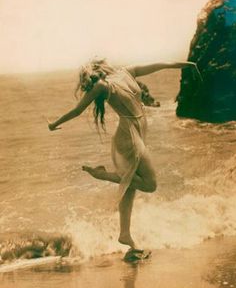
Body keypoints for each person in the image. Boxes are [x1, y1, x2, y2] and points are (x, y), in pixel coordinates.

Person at [48, 59, 199, 250]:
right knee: (150, 185)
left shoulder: (126, 72)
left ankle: (125, 234)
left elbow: (157, 65)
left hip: (139, 130)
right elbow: (78, 110)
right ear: (101, 67)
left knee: (131, 187)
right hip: (128, 136)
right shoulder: (103, 86)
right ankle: (102, 175)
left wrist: (184, 64)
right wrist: (54, 124)